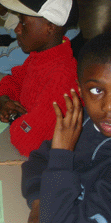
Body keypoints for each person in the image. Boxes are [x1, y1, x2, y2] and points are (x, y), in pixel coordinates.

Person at [21, 32, 111, 223]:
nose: (108, 107)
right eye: (96, 90)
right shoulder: (83, 122)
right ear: (80, 90)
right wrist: (38, 205)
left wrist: (62, 156)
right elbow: (38, 160)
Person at [0, 0, 80, 157]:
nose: (17, 29)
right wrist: (3, 100)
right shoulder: (40, 57)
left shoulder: (63, 79)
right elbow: (13, 80)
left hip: (34, 164)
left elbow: (29, 142)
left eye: (23, 22)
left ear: (50, 27)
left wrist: (15, 118)